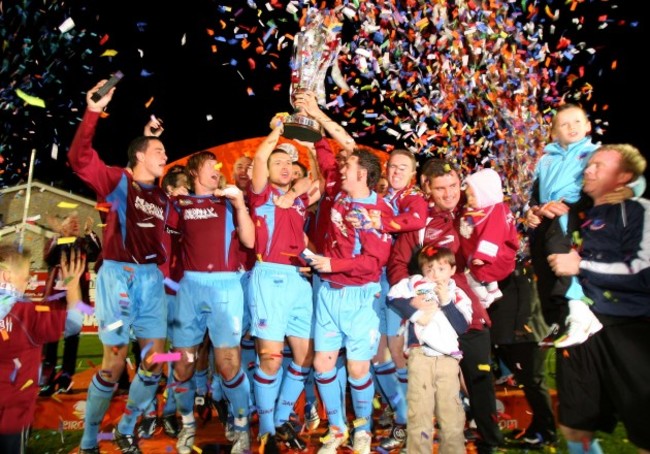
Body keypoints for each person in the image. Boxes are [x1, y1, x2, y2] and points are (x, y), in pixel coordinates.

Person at [69, 79, 171, 454]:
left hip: (151, 282)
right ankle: (90, 438)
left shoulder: (160, 196)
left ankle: (127, 427)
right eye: (158, 150)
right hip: (118, 278)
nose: (165, 154)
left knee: (155, 361)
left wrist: (145, 139)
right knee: (113, 363)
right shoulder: (118, 182)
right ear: (140, 157)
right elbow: (80, 160)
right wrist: (93, 112)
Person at [388, 158, 504, 454]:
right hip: (434, 324)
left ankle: (490, 442)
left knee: (479, 378)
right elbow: (398, 266)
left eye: (453, 185)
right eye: (441, 188)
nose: (450, 193)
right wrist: (411, 303)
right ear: (426, 187)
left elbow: (501, 247)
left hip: (469, 315)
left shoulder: (475, 209)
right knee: (427, 390)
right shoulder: (419, 221)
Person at [548, 144, 650, 454]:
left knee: (646, 429)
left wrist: (582, 265)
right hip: (584, 331)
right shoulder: (577, 213)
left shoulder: (639, 210)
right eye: (589, 164)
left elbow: (642, 272)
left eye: (599, 166)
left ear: (623, 176)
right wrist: (535, 212)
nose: (588, 170)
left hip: (631, 330)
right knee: (575, 423)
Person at [526, 104, 645, 348]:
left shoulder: (595, 153)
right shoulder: (546, 160)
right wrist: (535, 210)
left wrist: (571, 206)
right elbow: (535, 193)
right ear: (553, 131)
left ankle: (579, 311)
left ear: (588, 126)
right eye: (564, 124)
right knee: (543, 263)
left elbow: (620, 183)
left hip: (576, 216)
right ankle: (558, 320)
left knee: (561, 256)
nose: (571, 128)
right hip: (548, 219)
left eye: (577, 122)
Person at [167, 150, 255, 454]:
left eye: (217, 167)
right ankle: (187, 423)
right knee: (183, 365)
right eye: (209, 166)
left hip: (225, 285)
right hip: (190, 287)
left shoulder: (228, 201)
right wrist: (170, 196)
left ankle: (242, 426)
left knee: (229, 365)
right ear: (194, 172)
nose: (216, 171)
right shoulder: (180, 203)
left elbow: (250, 242)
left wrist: (240, 204)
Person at [308, 148, 394, 454]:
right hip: (329, 293)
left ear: (362, 174)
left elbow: (374, 263)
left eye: (349, 167)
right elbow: (328, 164)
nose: (342, 170)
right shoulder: (340, 194)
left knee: (358, 369)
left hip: (360, 297)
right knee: (322, 363)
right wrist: (314, 122)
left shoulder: (376, 212)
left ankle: (363, 429)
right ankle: (336, 429)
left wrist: (334, 265)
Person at [247, 120, 321, 453]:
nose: (285, 166)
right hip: (269, 278)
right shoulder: (261, 193)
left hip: (299, 279)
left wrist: (312, 145)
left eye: (289, 163)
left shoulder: (299, 197)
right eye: (279, 162)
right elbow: (261, 156)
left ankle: (279, 418)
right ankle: (265, 429)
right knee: (271, 359)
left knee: (306, 358)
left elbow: (317, 179)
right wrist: (277, 132)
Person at [0, 245, 86, 454]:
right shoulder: (26, 313)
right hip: (12, 411)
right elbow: (74, 322)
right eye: (25, 276)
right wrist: (72, 285)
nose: (28, 281)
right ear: (6, 275)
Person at [387, 246, 473, 454]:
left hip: (447, 359)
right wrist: (414, 310)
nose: (435, 274)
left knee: (450, 412)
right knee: (419, 411)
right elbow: (392, 297)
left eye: (441, 269)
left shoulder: (458, 294)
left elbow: (462, 327)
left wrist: (446, 302)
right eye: (429, 269)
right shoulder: (416, 284)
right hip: (420, 355)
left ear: (452, 270)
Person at [489, 233, 558, 448]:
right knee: (528, 383)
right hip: (506, 335)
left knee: (534, 383)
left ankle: (546, 432)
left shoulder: (522, 264)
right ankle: (537, 428)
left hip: (524, 335)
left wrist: (521, 328)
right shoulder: (498, 263)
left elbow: (528, 299)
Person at [136, 163, 189, 440]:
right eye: (184, 187)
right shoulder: (156, 207)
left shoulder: (191, 214)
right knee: (152, 359)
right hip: (153, 297)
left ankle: (169, 412)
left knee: (176, 358)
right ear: (169, 190)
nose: (188, 193)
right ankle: (147, 413)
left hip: (181, 298)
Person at [40, 212, 101, 396]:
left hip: (75, 299)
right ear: (63, 225)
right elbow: (48, 256)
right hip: (55, 299)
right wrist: (59, 235)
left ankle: (65, 379)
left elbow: (96, 253)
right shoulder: (56, 241)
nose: (75, 224)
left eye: (77, 222)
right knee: (50, 341)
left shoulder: (82, 243)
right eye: (70, 221)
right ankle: (47, 380)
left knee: (72, 340)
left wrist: (90, 232)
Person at [459, 168, 518, 307]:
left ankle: (485, 298)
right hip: (489, 256)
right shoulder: (488, 208)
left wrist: (483, 256)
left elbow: (493, 235)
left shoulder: (495, 212)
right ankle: (494, 290)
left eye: (474, 196)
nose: (470, 200)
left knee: (470, 278)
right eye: (469, 196)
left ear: (486, 194)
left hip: (493, 258)